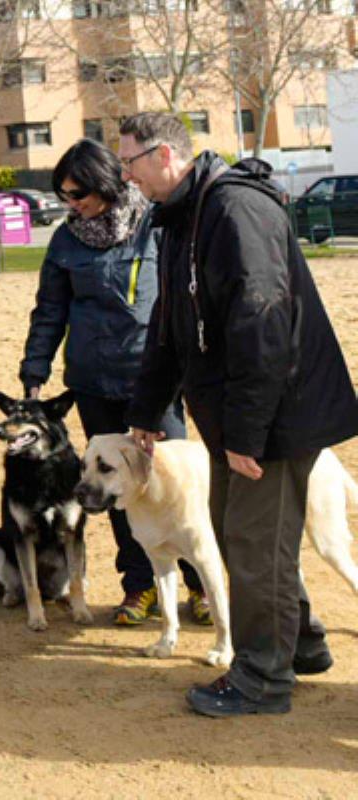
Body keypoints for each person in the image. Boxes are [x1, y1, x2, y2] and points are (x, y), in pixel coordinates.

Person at [119, 112, 358, 716]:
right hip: (240, 417)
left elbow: (262, 322)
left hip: (279, 415)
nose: (127, 176)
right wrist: (147, 407)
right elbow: (171, 327)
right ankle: (298, 642)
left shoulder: (231, 211)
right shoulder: (180, 219)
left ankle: (262, 677)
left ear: (165, 156)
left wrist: (248, 432)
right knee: (237, 532)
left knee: (255, 545)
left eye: (130, 163)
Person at [18, 138, 206, 627]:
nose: (71, 204)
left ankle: (198, 585)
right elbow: (50, 311)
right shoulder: (64, 241)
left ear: (106, 184)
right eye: (64, 195)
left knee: (171, 485)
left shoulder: (154, 227)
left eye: (78, 193)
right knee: (113, 488)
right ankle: (138, 586)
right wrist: (34, 372)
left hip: (154, 381)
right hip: (92, 383)